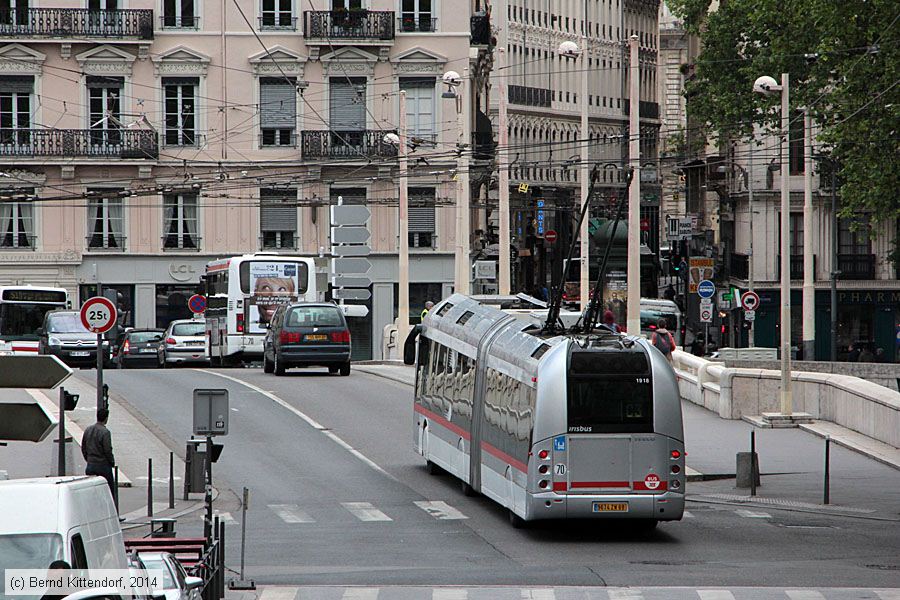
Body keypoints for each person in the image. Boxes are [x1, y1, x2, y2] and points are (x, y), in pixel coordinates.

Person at [82, 408, 116, 500]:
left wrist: (88, 459)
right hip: (103, 466)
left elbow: (83, 447)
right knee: (110, 490)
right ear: (106, 418)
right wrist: (112, 461)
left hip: (90, 465)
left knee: (91, 492)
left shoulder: (88, 430)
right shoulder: (105, 432)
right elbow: (107, 450)